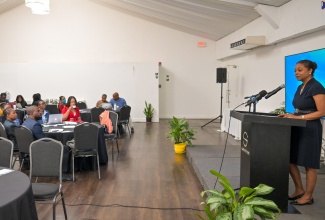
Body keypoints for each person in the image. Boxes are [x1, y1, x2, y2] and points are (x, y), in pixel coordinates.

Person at [279, 60, 325, 205]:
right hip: (297, 126)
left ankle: (308, 196)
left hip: (310, 128)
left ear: (310, 70)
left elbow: (322, 112)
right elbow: (300, 108)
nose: (296, 73)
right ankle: (299, 190)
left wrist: (300, 117)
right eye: (295, 70)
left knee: (309, 163)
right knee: (290, 159)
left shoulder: (316, 87)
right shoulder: (301, 87)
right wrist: (289, 115)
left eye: (299, 70)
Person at [23, 106, 73, 181]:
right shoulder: (35, 125)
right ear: (32, 113)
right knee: (64, 148)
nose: (40, 113)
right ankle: (62, 174)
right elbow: (43, 140)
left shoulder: (26, 122)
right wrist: (56, 143)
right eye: (38, 111)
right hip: (38, 149)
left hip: (29, 148)